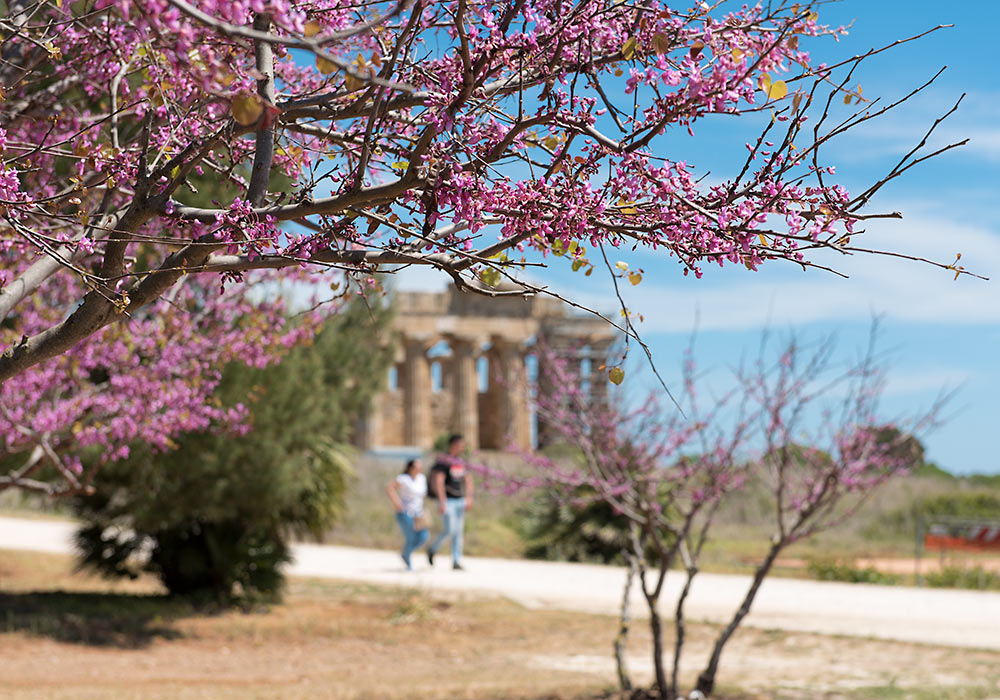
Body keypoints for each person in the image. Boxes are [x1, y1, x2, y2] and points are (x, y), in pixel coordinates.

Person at [427, 433, 474, 570]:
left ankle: (456, 560)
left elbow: (468, 480)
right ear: (453, 445)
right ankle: (433, 549)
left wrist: (469, 497)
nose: (463, 448)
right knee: (449, 530)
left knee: (458, 532)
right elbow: (438, 481)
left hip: (459, 500)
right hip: (448, 501)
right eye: (461, 445)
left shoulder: (461, 462)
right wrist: (442, 501)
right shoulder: (443, 462)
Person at [387, 458, 430, 570]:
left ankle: (406, 553)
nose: (419, 469)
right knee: (410, 537)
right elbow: (390, 488)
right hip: (406, 512)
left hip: (419, 513)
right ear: (410, 468)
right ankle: (408, 563)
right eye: (417, 467)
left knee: (423, 536)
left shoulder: (422, 478)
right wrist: (397, 503)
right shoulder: (403, 479)